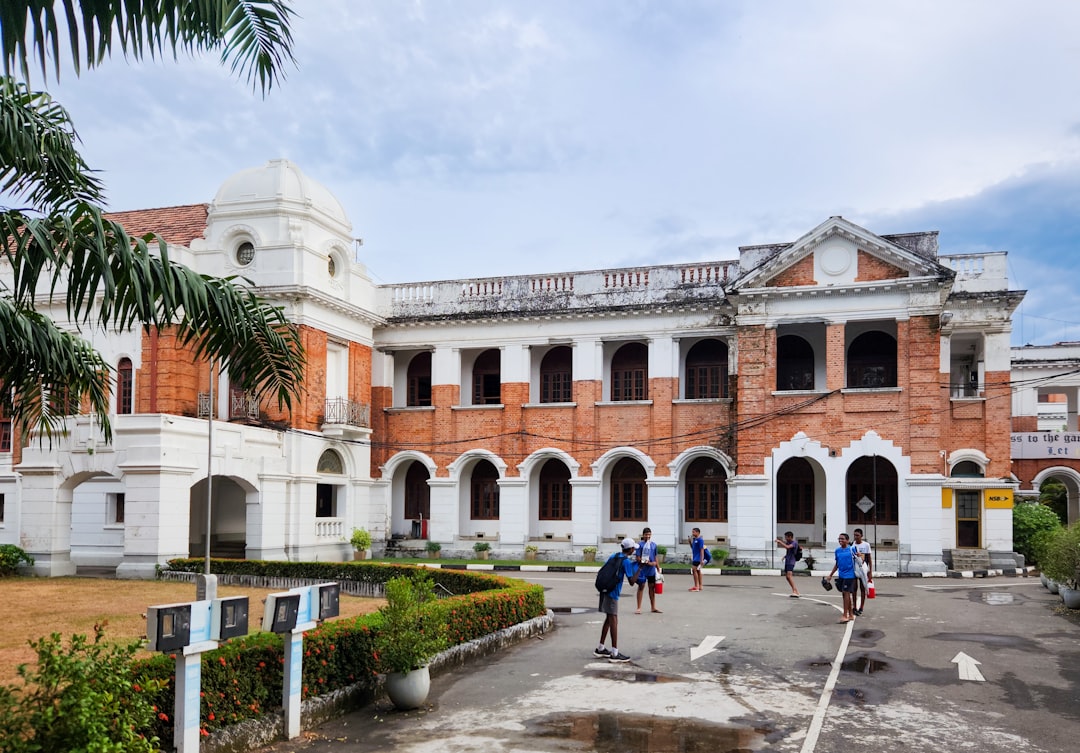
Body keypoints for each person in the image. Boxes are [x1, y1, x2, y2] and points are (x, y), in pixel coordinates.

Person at [594, 537, 640, 662]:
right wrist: (640, 568)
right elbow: (632, 582)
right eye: (633, 549)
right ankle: (615, 653)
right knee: (613, 620)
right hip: (612, 593)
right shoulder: (626, 562)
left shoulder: (614, 556)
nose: (634, 551)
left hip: (605, 590)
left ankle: (600, 648)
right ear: (630, 549)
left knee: (609, 619)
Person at [826, 532, 858, 623]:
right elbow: (837, 564)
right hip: (841, 575)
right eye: (839, 539)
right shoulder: (837, 551)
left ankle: (845, 615)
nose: (840, 540)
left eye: (842, 539)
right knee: (844, 594)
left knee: (846, 592)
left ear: (847, 540)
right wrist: (830, 575)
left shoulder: (852, 549)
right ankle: (851, 614)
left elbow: (860, 559)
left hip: (850, 575)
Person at [635, 527, 662, 613]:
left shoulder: (653, 545)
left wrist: (658, 567)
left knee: (652, 588)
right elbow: (638, 558)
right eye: (646, 534)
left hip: (651, 570)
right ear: (643, 535)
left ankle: (653, 607)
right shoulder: (640, 545)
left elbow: (655, 557)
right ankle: (638, 608)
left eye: (649, 534)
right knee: (641, 587)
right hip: (642, 569)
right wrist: (647, 563)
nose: (648, 536)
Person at [852, 528, 873, 616]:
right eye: (854, 535)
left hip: (863, 569)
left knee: (863, 588)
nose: (856, 537)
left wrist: (870, 571)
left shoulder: (866, 545)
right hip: (855, 569)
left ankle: (861, 607)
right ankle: (854, 607)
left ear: (861, 536)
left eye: (857, 535)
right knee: (854, 588)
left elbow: (869, 558)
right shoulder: (852, 545)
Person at [775, 531, 801, 597]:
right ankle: (796, 591)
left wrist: (780, 542)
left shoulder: (794, 543)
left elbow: (788, 547)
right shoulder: (788, 542)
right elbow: (788, 551)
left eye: (786, 537)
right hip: (787, 560)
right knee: (787, 577)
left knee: (789, 576)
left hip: (791, 561)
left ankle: (795, 591)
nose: (785, 538)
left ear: (790, 537)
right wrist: (785, 556)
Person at [689, 527, 705, 591]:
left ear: (698, 532)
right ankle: (700, 586)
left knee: (694, 570)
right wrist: (690, 542)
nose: (692, 533)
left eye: (694, 532)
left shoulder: (700, 540)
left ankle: (696, 586)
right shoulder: (695, 539)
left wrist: (701, 559)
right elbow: (692, 548)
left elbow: (702, 550)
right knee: (698, 571)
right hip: (695, 557)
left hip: (698, 558)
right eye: (692, 532)